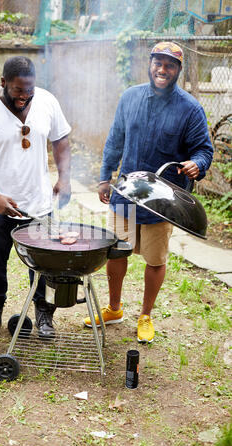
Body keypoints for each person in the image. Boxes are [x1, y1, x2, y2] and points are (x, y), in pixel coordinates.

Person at [83, 42, 213, 343]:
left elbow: (203, 149)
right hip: (126, 192)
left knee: (155, 260)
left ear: (178, 70)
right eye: (158, 63)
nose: (162, 70)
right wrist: (105, 178)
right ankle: (115, 309)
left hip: (162, 202)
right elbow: (115, 139)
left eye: (169, 65)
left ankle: (145, 316)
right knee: (117, 252)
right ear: (150, 64)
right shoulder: (130, 97)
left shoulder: (190, 109)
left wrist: (198, 163)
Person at [0, 56, 72, 339]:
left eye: (29, 89)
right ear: (3, 83)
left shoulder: (47, 102)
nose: (24, 96)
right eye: (18, 90)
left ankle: (45, 316)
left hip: (39, 204)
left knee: (45, 264)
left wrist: (65, 177)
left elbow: (61, 140)